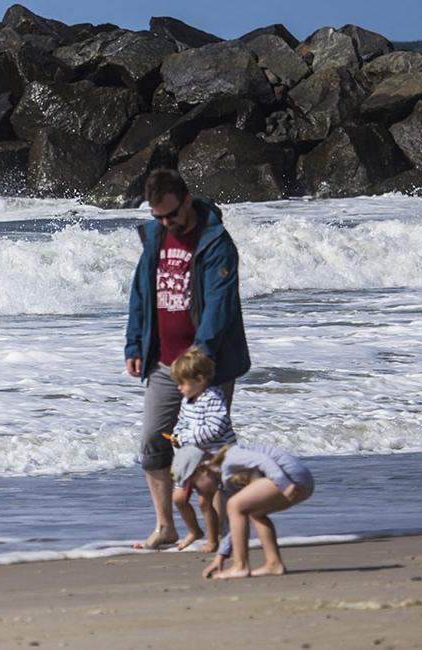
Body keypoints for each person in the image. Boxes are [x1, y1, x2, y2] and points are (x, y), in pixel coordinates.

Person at [124, 169, 250, 550]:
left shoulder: (216, 243)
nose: (165, 222)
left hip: (206, 365)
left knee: (207, 448)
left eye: (171, 215)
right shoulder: (155, 238)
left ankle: (225, 532)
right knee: (152, 440)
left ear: (188, 201)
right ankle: (166, 526)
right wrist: (133, 343)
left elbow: (219, 307)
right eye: (157, 216)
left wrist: (199, 357)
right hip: (162, 361)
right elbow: (140, 294)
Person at [185, 444, 314, 579]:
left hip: (291, 477)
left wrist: (284, 485)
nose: (198, 491)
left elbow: (264, 460)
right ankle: (274, 564)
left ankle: (240, 566)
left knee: (235, 505)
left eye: (194, 485)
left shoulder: (230, 458)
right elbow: (234, 526)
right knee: (253, 512)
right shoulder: (227, 481)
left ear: (202, 469)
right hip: (297, 481)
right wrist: (220, 557)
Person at [165, 347, 236, 552]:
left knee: (205, 499)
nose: (179, 388)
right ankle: (195, 530)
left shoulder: (213, 398)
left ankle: (213, 540)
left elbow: (216, 428)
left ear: (200, 379)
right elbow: (182, 423)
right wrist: (177, 437)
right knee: (178, 498)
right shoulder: (187, 399)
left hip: (212, 456)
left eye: (182, 383)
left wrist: (185, 437)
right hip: (188, 455)